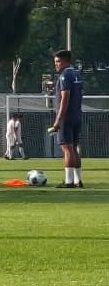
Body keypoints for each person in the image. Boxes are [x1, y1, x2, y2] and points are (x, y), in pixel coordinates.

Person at [51, 49, 84, 188]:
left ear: (65, 61)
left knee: (67, 148)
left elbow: (65, 98)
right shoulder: (77, 74)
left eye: (58, 62)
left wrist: (58, 120)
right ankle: (77, 180)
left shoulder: (65, 76)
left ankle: (69, 181)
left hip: (67, 116)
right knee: (74, 148)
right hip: (77, 114)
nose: (56, 65)